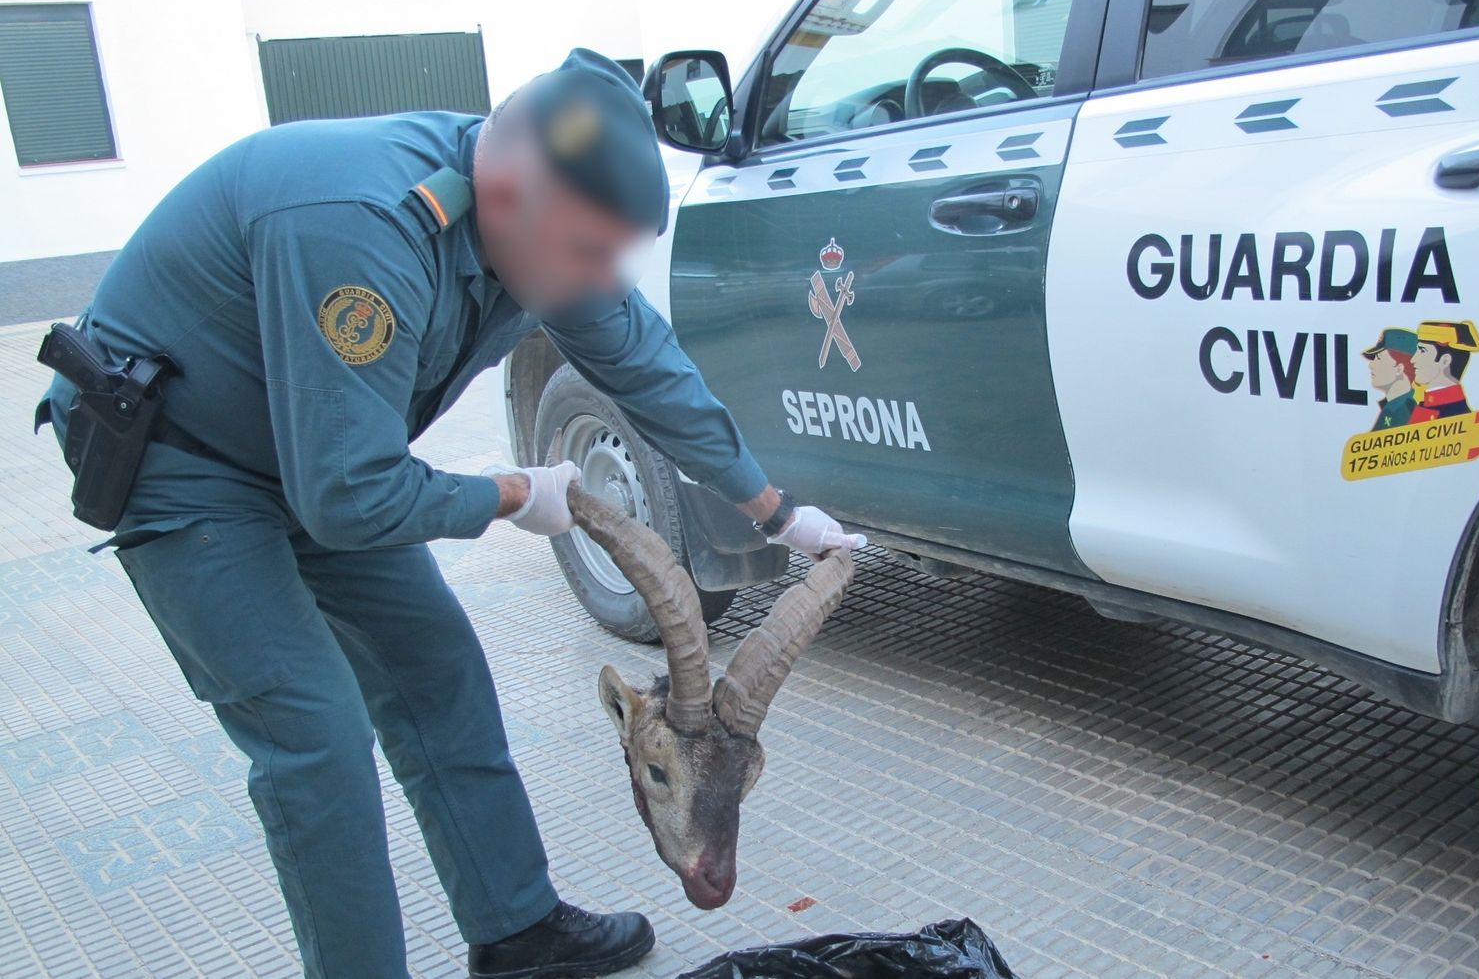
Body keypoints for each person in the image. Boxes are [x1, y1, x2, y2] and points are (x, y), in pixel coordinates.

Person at [38, 49, 863, 979]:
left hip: (320, 446)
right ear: (506, 195)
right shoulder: (360, 232)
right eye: (590, 253)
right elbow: (348, 497)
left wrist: (777, 511)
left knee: (440, 673)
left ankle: (517, 930)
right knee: (317, 738)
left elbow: (652, 371)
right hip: (184, 464)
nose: (602, 278)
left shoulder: (542, 240)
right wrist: (510, 495)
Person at [1410, 320, 1479, 423]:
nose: (1413, 359)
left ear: (1445, 361)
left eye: (1422, 351)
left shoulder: (1458, 415)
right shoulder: (1424, 406)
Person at [1360, 327, 1418, 431]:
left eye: (1378, 358)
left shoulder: (1401, 412)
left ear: (1399, 369)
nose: (1371, 365)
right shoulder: (1394, 407)